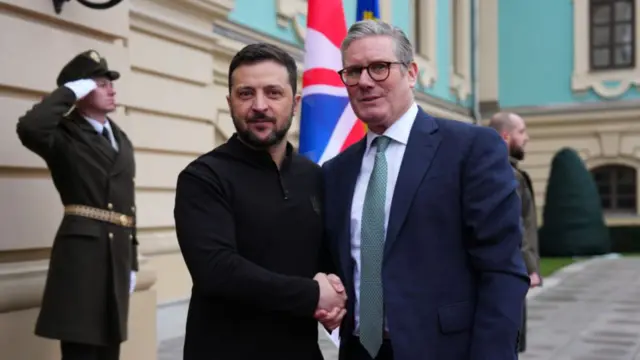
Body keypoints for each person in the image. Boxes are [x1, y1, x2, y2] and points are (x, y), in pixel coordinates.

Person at [321, 19, 530, 360]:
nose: (365, 81)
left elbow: (502, 269)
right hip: (359, 352)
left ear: (412, 73)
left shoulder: (471, 149)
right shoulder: (336, 171)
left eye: (379, 67)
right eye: (354, 71)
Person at [173, 42, 346, 360]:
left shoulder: (314, 176)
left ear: (295, 103)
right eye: (246, 93)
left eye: (273, 93)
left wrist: (336, 293)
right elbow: (217, 270)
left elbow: (325, 257)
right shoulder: (203, 177)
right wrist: (313, 295)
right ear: (230, 102)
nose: (259, 105)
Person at [16, 49, 138, 360]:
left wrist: (133, 259)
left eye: (111, 83)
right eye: (100, 83)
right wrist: (69, 93)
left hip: (116, 256)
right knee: (81, 348)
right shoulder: (63, 134)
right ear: (81, 90)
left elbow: (127, 205)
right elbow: (30, 127)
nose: (111, 89)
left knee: (110, 349)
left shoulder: (120, 138)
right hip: (82, 257)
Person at [489, 111, 541, 353]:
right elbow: (514, 225)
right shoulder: (506, 175)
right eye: (522, 132)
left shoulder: (509, 172)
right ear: (506, 136)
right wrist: (529, 267)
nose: (526, 138)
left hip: (509, 272)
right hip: (511, 272)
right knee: (507, 344)